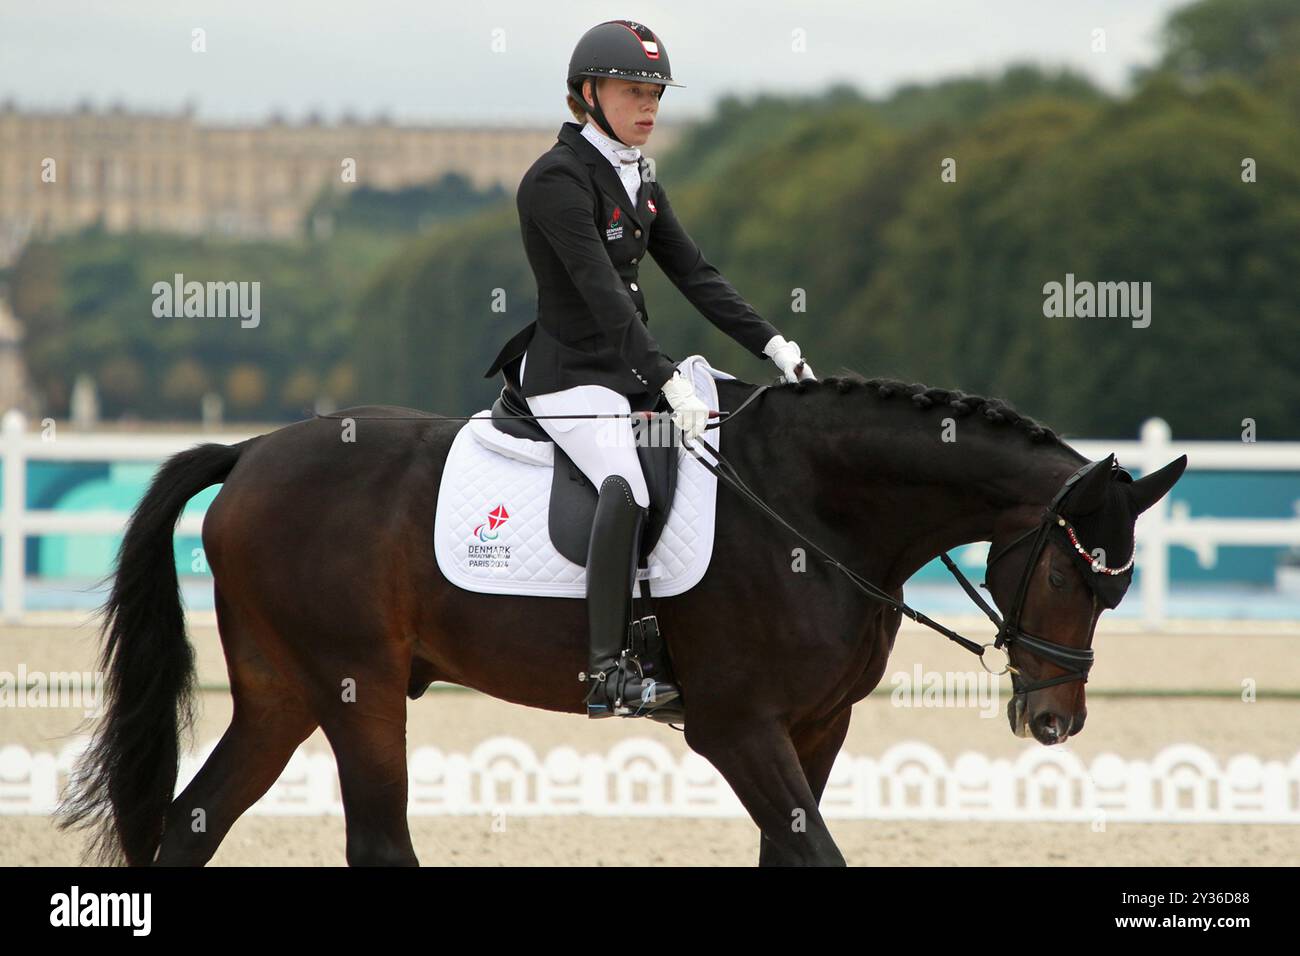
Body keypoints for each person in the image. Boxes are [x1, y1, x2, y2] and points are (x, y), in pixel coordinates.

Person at [483, 19, 816, 719]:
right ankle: (607, 669)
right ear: (588, 93)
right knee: (626, 486)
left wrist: (776, 348)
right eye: (634, 91)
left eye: (656, 94)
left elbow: (696, 275)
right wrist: (666, 378)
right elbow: (601, 293)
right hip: (570, 380)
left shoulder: (640, 178)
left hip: (626, 375)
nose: (649, 108)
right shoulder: (555, 179)